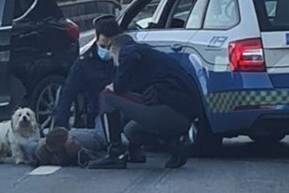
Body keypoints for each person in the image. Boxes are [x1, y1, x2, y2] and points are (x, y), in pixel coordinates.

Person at [88, 35, 202, 170]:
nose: (114, 62)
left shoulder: (128, 51)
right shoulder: (151, 59)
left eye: (113, 56)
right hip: (184, 117)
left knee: (107, 96)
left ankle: (115, 154)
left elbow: (121, 84)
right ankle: (173, 143)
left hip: (168, 111)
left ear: (115, 49)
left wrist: (115, 85)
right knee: (130, 130)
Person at [52, 17, 122, 130]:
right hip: (99, 114)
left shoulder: (126, 58)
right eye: (103, 46)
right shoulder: (84, 63)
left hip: (125, 110)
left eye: (110, 47)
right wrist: (60, 129)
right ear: (96, 40)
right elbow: (67, 94)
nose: (107, 51)